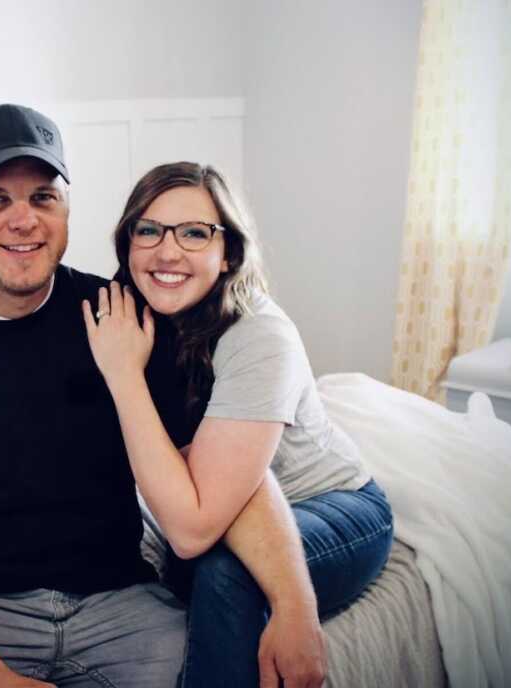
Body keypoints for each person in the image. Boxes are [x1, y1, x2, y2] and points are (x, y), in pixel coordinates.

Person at [0, 103, 324, 688]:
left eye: (43, 197)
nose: (24, 220)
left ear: (67, 207)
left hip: (121, 603)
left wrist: (294, 601)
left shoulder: (125, 320)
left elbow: (228, 471)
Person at [78, 162, 394, 688]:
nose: (168, 252)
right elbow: (28, 326)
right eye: (149, 230)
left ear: (227, 254)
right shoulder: (124, 311)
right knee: (190, 572)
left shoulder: (259, 336)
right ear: (128, 242)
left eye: (195, 233)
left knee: (222, 574)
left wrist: (294, 605)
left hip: (331, 501)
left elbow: (190, 528)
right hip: (225, 511)